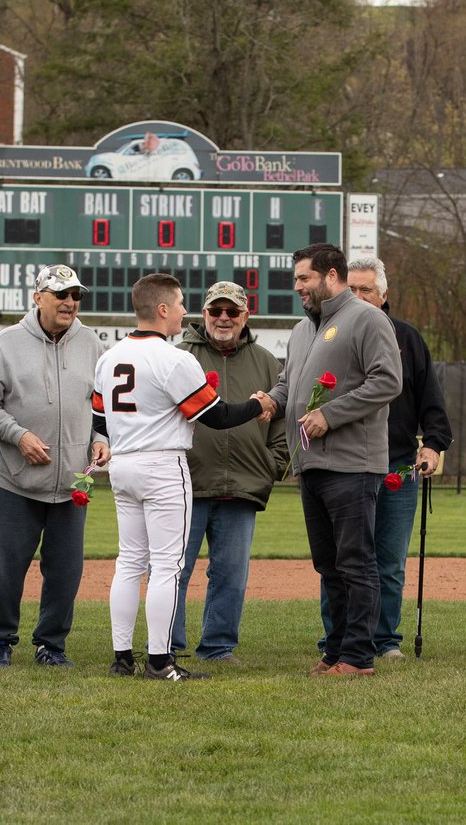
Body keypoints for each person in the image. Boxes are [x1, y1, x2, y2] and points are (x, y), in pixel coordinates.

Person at [93, 273, 269, 682]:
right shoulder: (174, 358)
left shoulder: (109, 356)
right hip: (162, 465)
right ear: (162, 309)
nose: (185, 311)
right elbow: (217, 416)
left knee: (129, 563)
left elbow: (100, 418)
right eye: (180, 304)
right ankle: (159, 661)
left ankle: (122, 658)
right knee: (168, 566)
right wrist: (257, 403)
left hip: (122, 465)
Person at [262, 243, 403, 677]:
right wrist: (268, 401)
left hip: (353, 465)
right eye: (297, 280)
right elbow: (289, 385)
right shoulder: (304, 329)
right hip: (312, 464)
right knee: (329, 564)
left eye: (304, 278)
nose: (298, 287)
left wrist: (331, 413)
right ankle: (337, 651)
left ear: (331, 276)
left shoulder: (367, 318)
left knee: (356, 562)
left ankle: (359, 657)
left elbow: (388, 381)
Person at [313, 256, 452, 659]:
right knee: (340, 562)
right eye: (351, 289)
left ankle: (384, 639)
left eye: (366, 290)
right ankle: (336, 640)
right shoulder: (328, 334)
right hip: (346, 464)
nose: (357, 297)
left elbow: (433, 405)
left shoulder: (407, 339)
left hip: (396, 465)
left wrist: (434, 444)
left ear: (384, 295)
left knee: (388, 560)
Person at [0, 264, 110, 669]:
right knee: (6, 568)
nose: (70, 303)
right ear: (38, 298)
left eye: (75, 296)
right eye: (61, 295)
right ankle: (0, 642)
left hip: (72, 481)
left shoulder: (92, 344)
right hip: (16, 479)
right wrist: (18, 436)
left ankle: (51, 644)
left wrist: (101, 440)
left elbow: (100, 406)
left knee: (65, 572)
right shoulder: (7, 343)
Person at [172, 281, 288, 662]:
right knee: (176, 570)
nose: (223, 318)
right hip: (186, 483)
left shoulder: (268, 362)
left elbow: (284, 425)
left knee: (231, 576)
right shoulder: (179, 356)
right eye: (215, 311)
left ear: (245, 316)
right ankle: (169, 645)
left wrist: (272, 465)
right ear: (203, 314)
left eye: (232, 311)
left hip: (243, 485)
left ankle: (218, 647)